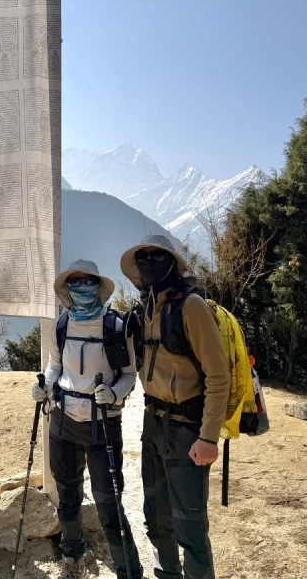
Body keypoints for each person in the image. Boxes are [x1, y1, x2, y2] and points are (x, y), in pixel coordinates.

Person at [120, 235, 230, 579]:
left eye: (157, 256)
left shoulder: (191, 306)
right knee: (156, 518)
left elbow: (218, 375)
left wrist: (209, 437)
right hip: (153, 422)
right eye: (144, 257)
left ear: (173, 263)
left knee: (190, 526)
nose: (150, 262)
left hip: (187, 429)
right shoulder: (146, 307)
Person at [33, 260, 144, 579]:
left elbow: (128, 374)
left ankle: (129, 570)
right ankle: (73, 560)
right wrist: (45, 386)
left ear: (98, 285)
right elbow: (55, 366)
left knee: (109, 503)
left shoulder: (116, 326)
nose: (81, 286)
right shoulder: (61, 325)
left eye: (87, 280)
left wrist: (114, 394)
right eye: (75, 281)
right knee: (68, 499)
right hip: (63, 422)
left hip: (103, 425)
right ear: (67, 289)